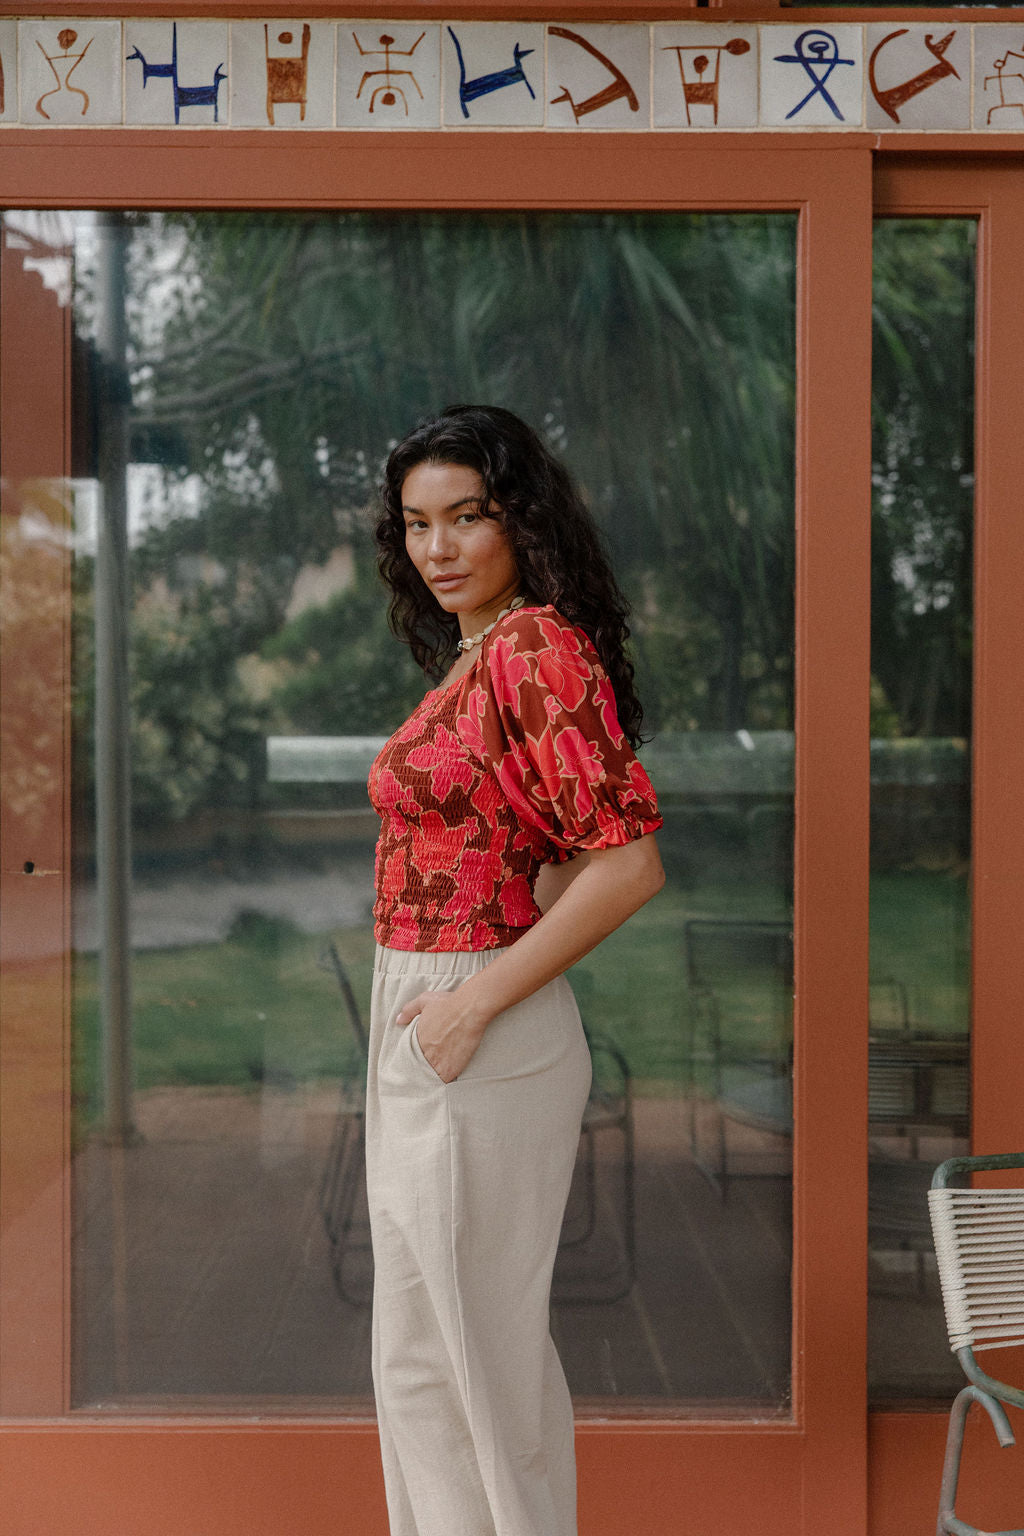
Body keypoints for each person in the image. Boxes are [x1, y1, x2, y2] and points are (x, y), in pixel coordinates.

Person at [366, 404, 664, 1536]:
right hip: (434, 1006)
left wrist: (475, 1000)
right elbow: (541, 856)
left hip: (474, 1017)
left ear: (519, 521)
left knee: (474, 1358)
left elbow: (626, 867)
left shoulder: (536, 647)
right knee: (421, 1357)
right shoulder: (480, 656)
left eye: (466, 517)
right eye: (415, 525)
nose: (436, 548)